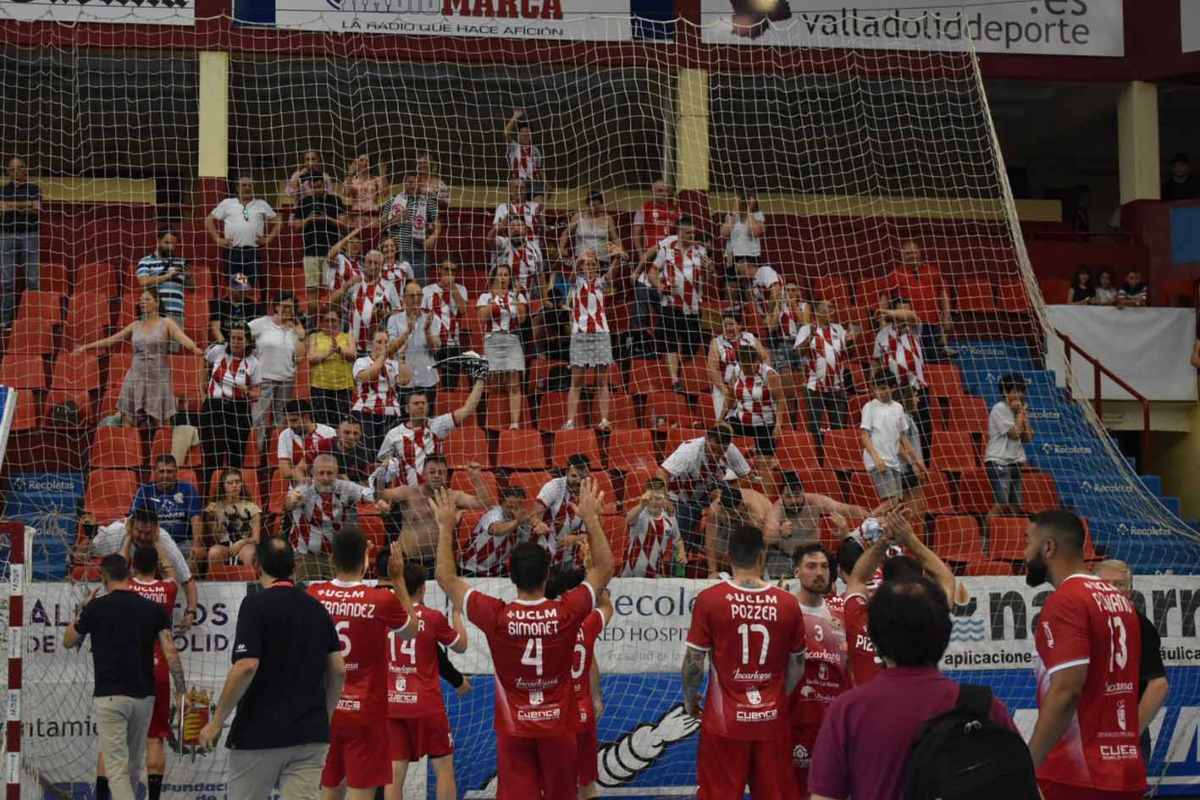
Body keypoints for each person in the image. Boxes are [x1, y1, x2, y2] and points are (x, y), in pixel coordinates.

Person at [433, 476, 615, 800]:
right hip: (559, 727)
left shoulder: (496, 616)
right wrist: (591, 519)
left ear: (510, 575)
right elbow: (604, 568)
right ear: (547, 575)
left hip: (515, 729)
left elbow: (446, 579)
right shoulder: (567, 612)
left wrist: (446, 526)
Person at [807, 575, 1018, 800]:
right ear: (945, 634)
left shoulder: (847, 710)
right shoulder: (987, 708)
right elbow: (1026, 788)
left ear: (875, 636)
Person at [197, 537, 346, 800]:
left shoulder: (255, 605)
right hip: (309, 735)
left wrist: (216, 721)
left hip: (259, 734)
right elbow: (338, 669)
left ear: (256, 564)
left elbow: (246, 666)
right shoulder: (317, 608)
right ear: (295, 565)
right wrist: (326, 715)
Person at [1024, 510, 1147, 800]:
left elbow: (1067, 692)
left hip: (1078, 775)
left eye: (1027, 541)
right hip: (1125, 767)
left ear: (1049, 547)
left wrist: (1027, 766)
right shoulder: (1119, 599)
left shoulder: (1065, 601)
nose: (1024, 551)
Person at [681, 524, 806, 800]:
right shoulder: (787, 602)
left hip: (724, 722)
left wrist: (690, 699)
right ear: (762, 556)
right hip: (771, 721)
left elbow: (693, 660)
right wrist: (778, 698)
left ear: (728, 556)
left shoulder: (710, 599)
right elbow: (798, 665)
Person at [63, 555, 185, 800]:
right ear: (129, 575)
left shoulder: (96, 608)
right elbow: (170, 652)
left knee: (116, 768)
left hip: (110, 697)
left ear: (104, 576)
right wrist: (181, 689)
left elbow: (68, 641)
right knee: (131, 766)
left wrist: (83, 610)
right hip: (144, 697)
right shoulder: (153, 609)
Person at [308, 531, 417, 800]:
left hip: (325, 710)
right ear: (366, 559)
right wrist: (399, 579)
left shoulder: (314, 593)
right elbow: (412, 631)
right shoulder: (380, 599)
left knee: (329, 790)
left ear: (331, 558)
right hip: (366, 712)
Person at [91, 546, 178, 800]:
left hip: (122, 671)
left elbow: (116, 565)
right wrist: (160, 542)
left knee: (111, 746)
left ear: (131, 567)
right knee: (155, 739)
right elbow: (173, 573)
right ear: (157, 565)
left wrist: (130, 537)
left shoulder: (125, 590)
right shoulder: (167, 590)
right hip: (156, 672)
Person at [838, 509, 959, 688]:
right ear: (920, 585)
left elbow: (857, 578)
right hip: (921, 706)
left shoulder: (860, 615)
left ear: (884, 584)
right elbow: (946, 577)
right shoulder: (930, 616)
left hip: (870, 708)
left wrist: (883, 541)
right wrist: (910, 538)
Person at [384, 562, 469, 800]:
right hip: (426, 704)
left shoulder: (386, 615)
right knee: (443, 767)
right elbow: (461, 645)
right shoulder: (432, 617)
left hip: (393, 703)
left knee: (394, 772)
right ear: (422, 589)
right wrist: (456, 613)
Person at [75, 288, 203, 428]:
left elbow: (182, 338)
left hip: (157, 378)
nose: (143, 302)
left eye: (147, 299)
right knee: (128, 420)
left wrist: (194, 348)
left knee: (162, 424)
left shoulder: (166, 323)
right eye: (141, 300)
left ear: (157, 302)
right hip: (135, 376)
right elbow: (111, 340)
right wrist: (85, 347)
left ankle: (163, 448)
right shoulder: (135, 325)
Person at [544, 564, 614, 800]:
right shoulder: (586, 622)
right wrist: (597, 587)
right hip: (583, 710)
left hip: (553, 714)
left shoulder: (543, 625)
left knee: (552, 785)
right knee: (587, 784)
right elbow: (606, 606)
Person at [1093, 559, 1169, 767]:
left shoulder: (1140, 626)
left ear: (1130, 590)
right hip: (1087, 731)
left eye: (1119, 584)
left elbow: (1158, 685)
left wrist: (1130, 735)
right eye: (1105, 584)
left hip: (1123, 734)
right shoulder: (1083, 624)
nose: (1112, 590)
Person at [788, 543, 848, 799]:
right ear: (797, 572)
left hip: (832, 720)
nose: (819, 573)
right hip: (794, 719)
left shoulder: (841, 612)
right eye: (811, 566)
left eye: (824, 566)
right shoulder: (786, 609)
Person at [75, 508, 199, 626]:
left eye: (148, 533)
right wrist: (90, 538)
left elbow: (187, 578)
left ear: (156, 529)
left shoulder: (122, 587)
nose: (143, 537)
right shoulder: (169, 588)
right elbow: (80, 555)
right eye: (139, 532)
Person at [370, 457, 489, 571]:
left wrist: (477, 478)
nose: (437, 475)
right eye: (432, 472)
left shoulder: (452, 496)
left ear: (447, 475)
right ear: (423, 473)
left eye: (441, 472)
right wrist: (381, 475)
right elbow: (380, 495)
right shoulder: (408, 492)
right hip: (408, 560)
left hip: (438, 561)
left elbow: (482, 503)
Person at [657, 422, 752, 556]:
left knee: (740, 509)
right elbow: (662, 472)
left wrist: (725, 495)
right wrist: (663, 498)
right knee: (682, 534)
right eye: (713, 449)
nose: (716, 455)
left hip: (710, 491)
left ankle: (730, 556)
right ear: (707, 438)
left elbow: (746, 476)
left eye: (721, 451)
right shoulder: (689, 451)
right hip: (682, 498)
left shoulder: (730, 449)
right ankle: (676, 568)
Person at [376, 371, 486, 486]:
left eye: (423, 403)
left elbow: (468, 409)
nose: (421, 406)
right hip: (407, 495)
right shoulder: (393, 434)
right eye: (416, 403)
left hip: (434, 491)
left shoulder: (437, 425)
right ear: (407, 409)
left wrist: (480, 379)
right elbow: (383, 463)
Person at [765, 471, 868, 580]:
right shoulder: (776, 510)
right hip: (784, 558)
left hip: (814, 553)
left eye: (797, 495)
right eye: (788, 497)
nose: (794, 501)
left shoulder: (815, 502)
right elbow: (766, 538)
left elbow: (845, 509)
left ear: (803, 492)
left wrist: (870, 516)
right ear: (782, 496)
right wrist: (780, 533)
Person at [647, 215, 710, 391]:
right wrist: (659, 285)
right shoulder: (667, 250)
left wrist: (709, 269)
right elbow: (652, 271)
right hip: (670, 305)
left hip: (693, 307)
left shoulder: (701, 251)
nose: (692, 235)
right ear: (680, 232)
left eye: (693, 232)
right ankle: (675, 380)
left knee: (691, 345)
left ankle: (683, 370)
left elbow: (708, 277)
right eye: (688, 232)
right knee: (671, 343)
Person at [564, 249, 619, 431]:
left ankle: (604, 420)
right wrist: (580, 259)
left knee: (602, 381)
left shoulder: (601, 283)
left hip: (601, 333)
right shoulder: (576, 283)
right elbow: (571, 275)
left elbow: (612, 273)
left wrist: (617, 257)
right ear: (581, 266)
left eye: (594, 264)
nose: (591, 267)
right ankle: (570, 421)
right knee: (576, 381)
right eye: (587, 264)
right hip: (579, 334)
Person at [202, 322, 260, 487]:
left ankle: (235, 493)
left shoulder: (253, 362)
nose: (235, 341)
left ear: (247, 341)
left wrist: (247, 390)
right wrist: (203, 388)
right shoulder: (217, 351)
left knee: (236, 457)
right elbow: (204, 361)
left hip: (239, 410)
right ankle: (210, 496)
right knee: (212, 456)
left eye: (240, 338)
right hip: (214, 408)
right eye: (233, 338)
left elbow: (257, 394)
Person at [872, 296, 931, 452]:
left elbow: (911, 316)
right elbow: (876, 363)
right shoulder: (881, 335)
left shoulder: (914, 328)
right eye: (901, 310)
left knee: (923, 430)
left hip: (916, 389)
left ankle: (921, 466)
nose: (904, 313)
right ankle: (905, 468)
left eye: (906, 309)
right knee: (897, 433)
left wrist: (886, 311)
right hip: (894, 392)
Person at [250, 294, 307, 451]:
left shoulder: (295, 329)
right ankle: (258, 454)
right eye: (284, 306)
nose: (288, 310)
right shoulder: (262, 323)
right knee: (258, 418)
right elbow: (242, 334)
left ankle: (277, 453)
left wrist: (301, 335)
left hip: (286, 380)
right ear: (276, 306)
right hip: (264, 379)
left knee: (281, 421)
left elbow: (300, 358)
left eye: (291, 307)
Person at [794, 299, 852, 448]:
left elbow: (848, 349)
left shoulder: (838, 329)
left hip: (837, 388)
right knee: (816, 429)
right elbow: (799, 353)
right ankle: (820, 461)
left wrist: (852, 338)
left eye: (833, 308)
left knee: (839, 429)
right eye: (828, 308)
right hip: (814, 388)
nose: (832, 311)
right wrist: (810, 337)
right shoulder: (806, 329)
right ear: (817, 312)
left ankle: (840, 465)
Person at [860, 374, 924, 507]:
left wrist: (917, 462)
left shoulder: (898, 408)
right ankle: (865, 523)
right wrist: (876, 458)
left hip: (894, 462)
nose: (881, 392)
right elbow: (864, 435)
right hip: (878, 461)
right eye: (878, 389)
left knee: (897, 504)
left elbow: (903, 438)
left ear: (893, 388)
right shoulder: (869, 407)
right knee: (890, 502)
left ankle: (877, 524)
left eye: (884, 388)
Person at [883, 238, 952, 362]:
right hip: (908, 326)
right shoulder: (895, 274)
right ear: (902, 256)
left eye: (913, 252)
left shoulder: (932, 271)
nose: (911, 256)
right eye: (907, 254)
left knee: (933, 360)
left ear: (919, 253)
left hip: (932, 324)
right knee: (912, 360)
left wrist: (946, 315)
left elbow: (943, 294)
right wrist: (883, 320)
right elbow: (885, 298)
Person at [478, 264, 528, 429]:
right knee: (494, 385)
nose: (503, 278)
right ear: (494, 278)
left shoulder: (517, 296)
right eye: (500, 275)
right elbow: (482, 318)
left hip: (511, 340)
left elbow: (521, 319)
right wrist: (494, 300)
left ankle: (514, 423)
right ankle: (492, 423)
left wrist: (519, 297)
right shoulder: (485, 297)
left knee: (514, 382)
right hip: (492, 340)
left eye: (506, 275)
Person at [206, 176, 281, 288]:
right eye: (244, 185)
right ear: (237, 188)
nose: (247, 188)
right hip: (234, 252)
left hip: (252, 253)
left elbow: (278, 221)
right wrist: (217, 239)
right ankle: (241, 296)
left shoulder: (261, 204)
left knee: (250, 285)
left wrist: (268, 239)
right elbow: (208, 220)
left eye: (250, 185)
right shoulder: (228, 203)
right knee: (238, 286)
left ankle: (246, 298)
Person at [352, 329, 413, 455]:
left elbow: (404, 380)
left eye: (386, 342)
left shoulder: (393, 364)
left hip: (391, 413)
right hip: (365, 412)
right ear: (370, 344)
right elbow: (368, 376)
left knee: (387, 454)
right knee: (367, 453)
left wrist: (401, 357)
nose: (383, 345)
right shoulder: (361, 361)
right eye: (379, 342)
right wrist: (384, 355)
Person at [725, 345, 784, 476]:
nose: (745, 369)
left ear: (756, 361)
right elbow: (730, 397)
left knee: (763, 466)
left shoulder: (769, 374)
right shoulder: (736, 371)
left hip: (765, 424)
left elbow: (780, 400)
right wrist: (719, 419)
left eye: (748, 366)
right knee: (720, 433)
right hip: (742, 421)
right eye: (743, 365)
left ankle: (766, 473)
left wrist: (779, 424)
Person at [129, 455, 204, 557]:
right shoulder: (145, 490)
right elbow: (133, 519)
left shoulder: (188, 489)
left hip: (182, 543)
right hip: (151, 542)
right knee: (131, 549)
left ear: (176, 472)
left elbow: (196, 519)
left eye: (169, 471)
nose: (165, 475)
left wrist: (197, 545)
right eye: (161, 471)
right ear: (155, 472)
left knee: (197, 553)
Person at [704, 482, 781, 578]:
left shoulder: (756, 513)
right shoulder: (715, 510)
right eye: (727, 513)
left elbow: (762, 545)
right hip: (735, 526)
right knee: (720, 549)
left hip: (764, 527)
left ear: (742, 505)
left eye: (733, 514)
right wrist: (712, 571)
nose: (730, 516)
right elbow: (710, 542)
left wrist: (759, 575)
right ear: (721, 506)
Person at [460, 486, 540, 577]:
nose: (513, 509)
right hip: (470, 568)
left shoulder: (523, 523)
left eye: (518, 505)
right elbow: (496, 530)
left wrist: (534, 526)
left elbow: (523, 547)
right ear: (502, 503)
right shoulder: (494, 513)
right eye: (510, 505)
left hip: (496, 571)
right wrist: (517, 522)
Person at [0, 155, 41, 330]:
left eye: (19, 168)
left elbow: (36, 209)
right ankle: (6, 321)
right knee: (7, 281)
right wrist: (25, 206)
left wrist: (12, 206)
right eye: (12, 168)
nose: (16, 171)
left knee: (32, 280)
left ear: (25, 169)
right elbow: (1, 208)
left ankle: (31, 321)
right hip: (6, 236)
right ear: (8, 171)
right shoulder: (2, 190)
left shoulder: (33, 188)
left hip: (30, 235)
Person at [708, 306, 768, 421]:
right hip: (724, 388)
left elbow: (765, 357)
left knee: (747, 419)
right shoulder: (716, 342)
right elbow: (712, 368)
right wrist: (724, 390)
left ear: (740, 325)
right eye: (725, 325)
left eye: (731, 324)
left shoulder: (749, 338)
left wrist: (761, 378)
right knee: (724, 420)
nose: (727, 328)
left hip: (748, 386)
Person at [985, 373, 1034, 516]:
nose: (1019, 394)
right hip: (999, 461)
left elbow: (1027, 437)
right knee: (1001, 504)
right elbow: (1014, 434)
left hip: (1016, 461)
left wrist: (1024, 415)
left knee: (1016, 507)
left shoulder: (1020, 409)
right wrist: (1019, 413)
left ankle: (1013, 536)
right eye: (1015, 390)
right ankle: (986, 536)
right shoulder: (999, 408)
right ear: (1005, 392)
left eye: (1021, 391)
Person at [292, 175, 349, 295]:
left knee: (332, 289)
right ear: (310, 187)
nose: (317, 189)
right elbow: (296, 227)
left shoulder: (335, 200)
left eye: (319, 186)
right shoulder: (304, 202)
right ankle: (314, 314)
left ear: (325, 185)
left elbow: (345, 225)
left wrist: (327, 219)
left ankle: (332, 314)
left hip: (331, 253)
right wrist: (309, 219)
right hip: (310, 252)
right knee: (312, 290)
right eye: (314, 187)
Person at [381, 173, 441, 286]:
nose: (412, 185)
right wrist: (395, 219)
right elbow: (382, 223)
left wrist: (434, 236)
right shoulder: (393, 200)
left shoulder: (429, 202)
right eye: (409, 182)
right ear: (404, 184)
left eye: (415, 182)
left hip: (420, 252)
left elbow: (438, 223)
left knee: (420, 286)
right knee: (400, 286)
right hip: (399, 252)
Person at [388, 280, 438, 412]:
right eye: (412, 296)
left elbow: (436, 349)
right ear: (404, 298)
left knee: (427, 421)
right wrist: (407, 332)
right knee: (404, 421)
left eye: (419, 295)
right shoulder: (394, 319)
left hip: (427, 378)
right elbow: (391, 350)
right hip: (404, 379)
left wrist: (427, 331)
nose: (416, 299)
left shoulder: (432, 318)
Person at [534, 453, 593, 565]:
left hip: (570, 559)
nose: (578, 481)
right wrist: (537, 523)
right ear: (567, 473)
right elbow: (534, 514)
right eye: (574, 476)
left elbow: (592, 533)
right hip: (544, 554)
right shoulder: (554, 486)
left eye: (583, 477)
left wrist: (575, 539)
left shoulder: (590, 494)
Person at [340, 249, 402, 354]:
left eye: (376, 263)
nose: (372, 266)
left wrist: (384, 314)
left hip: (376, 346)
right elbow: (341, 305)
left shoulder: (389, 286)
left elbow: (398, 313)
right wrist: (347, 285)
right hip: (352, 344)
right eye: (369, 262)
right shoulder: (355, 282)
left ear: (382, 266)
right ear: (364, 263)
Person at [622, 476, 684, 578]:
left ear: (665, 498)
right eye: (651, 498)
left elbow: (677, 539)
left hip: (654, 575)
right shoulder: (640, 514)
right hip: (630, 574)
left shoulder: (669, 518)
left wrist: (681, 552)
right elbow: (628, 520)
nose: (654, 502)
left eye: (658, 498)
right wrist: (641, 505)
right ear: (645, 497)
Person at [422, 259, 470, 390]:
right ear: (439, 270)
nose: (449, 273)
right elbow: (421, 317)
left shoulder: (461, 289)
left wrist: (452, 288)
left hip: (452, 343)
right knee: (427, 383)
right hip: (431, 342)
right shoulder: (427, 290)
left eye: (453, 270)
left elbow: (463, 310)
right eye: (446, 269)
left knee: (450, 387)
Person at [200, 468, 261, 569]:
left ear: (241, 484)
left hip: (245, 545)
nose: (234, 485)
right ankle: (217, 582)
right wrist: (215, 519)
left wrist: (241, 543)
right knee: (214, 552)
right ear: (223, 486)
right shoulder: (213, 507)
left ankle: (248, 582)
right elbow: (214, 537)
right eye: (230, 483)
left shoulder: (252, 507)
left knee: (250, 553)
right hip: (223, 545)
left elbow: (256, 539)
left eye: (237, 482)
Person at [307, 308, 357, 427]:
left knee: (340, 422)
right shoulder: (314, 337)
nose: (330, 323)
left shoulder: (347, 337)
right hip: (319, 386)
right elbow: (311, 358)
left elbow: (353, 355)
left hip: (343, 387)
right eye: (327, 320)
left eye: (333, 320)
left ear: (339, 322)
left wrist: (339, 350)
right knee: (321, 423)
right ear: (322, 322)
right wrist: (328, 352)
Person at [277, 399, 337, 486]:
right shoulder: (285, 435)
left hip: (327, 486)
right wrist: (304, 479)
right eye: (287, 421)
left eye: (294, 420)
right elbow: (285, 472)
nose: (290, 425)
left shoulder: (329, 433)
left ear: (306, 417)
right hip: (298, 490)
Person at [135, 228, 188, 327]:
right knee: (151, 342)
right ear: (158, 241)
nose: (170, 247)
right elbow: (143, 281)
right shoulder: (146, 261)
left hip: (176, 312)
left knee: (174, 343)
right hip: (152, 312)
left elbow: (192, 288)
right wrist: (168, 275)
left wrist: (189, 276)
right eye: (167, 243)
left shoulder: (181, 262)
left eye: (173, 244)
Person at [720, 189, 767, 286]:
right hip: (731, 256)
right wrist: (734, 212)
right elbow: (724, 233)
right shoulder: (732, 216)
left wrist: (749, 211)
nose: (743, 203)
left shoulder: (757, 215)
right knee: (731, 288)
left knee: (749, 288)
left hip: (750, 257)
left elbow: (754, 232)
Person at [208, 273, 265, 345]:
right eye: (240, 290)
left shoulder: (254, 305)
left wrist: (247, 345)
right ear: (230, 288)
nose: (243, 292)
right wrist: (225, 345)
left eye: (245, 290)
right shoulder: (219, 305)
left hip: (246, 345)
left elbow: (258, 329)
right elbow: (215, 329)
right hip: (224, 344)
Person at [504, 108, 545, 201]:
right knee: (519, 205)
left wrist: (545, 182)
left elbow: (539, 168)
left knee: (538, 205)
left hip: (533, 182)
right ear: (518, 136)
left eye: (527, 134)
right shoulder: (514, 147)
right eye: (522, 134)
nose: (525, 136)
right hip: (518, 182)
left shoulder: (535, 150)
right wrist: (514, 117)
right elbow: (506, 133)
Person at [632, 179, 679, 254]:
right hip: (651, 253)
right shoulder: (644, 208)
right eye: (660, 191)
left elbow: (682, 234)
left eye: (666, 191)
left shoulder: (677, 210)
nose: (664, 194)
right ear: (653, 192)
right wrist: (641, 255)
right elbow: (636, 234)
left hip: (671, 252)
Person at [342, 154, 388, 230]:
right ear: (356, 163)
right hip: (357, 215)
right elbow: (346, 193)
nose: (365, 163)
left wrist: (383, 174)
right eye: (362, 160)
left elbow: (385, 193)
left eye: (367, 160)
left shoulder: (376, 179)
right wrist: (350, 173)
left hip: (373, 214)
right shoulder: (352, 180)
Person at [332, 417, 373, 484]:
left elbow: (367, 484)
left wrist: (348, 484)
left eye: (355, 433)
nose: (351, 437)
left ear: (361, 435)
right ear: (337, 432)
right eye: (347, 432)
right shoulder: (324, 445)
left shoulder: (364, 454)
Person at [326, 227, 365, 297]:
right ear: (345, 246)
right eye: (352, 242)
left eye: (358, 242)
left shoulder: (361, 265)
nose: (355, 245)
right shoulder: (339, 258)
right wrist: (350, 235)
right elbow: (330, 256)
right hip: (338, 299)